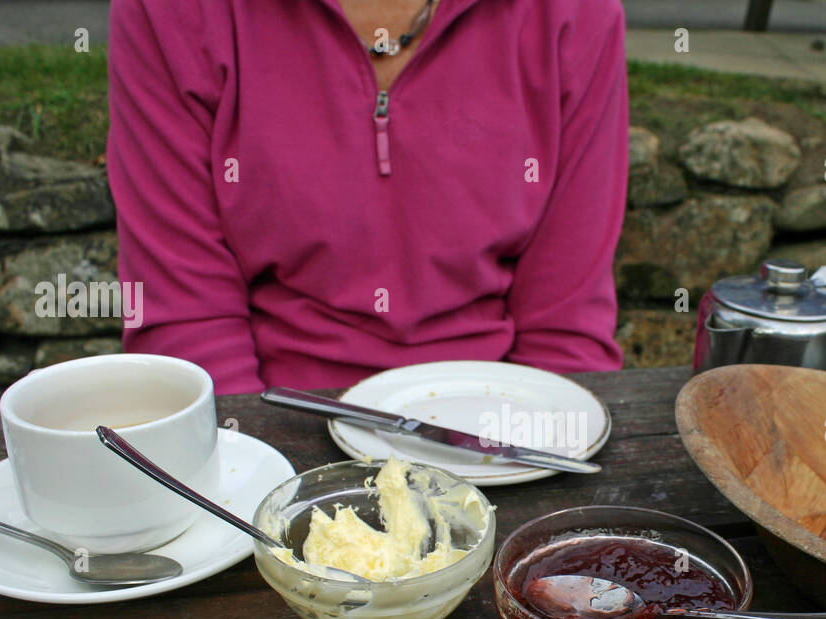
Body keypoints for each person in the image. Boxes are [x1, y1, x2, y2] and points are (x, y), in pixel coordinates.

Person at [107, 0, 629, 395]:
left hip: (500, 434)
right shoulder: (173, 12)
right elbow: (187, 324)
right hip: (272, 430)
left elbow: (565, 329)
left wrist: (526, 467)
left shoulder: (574, 13)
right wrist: (259, 489)